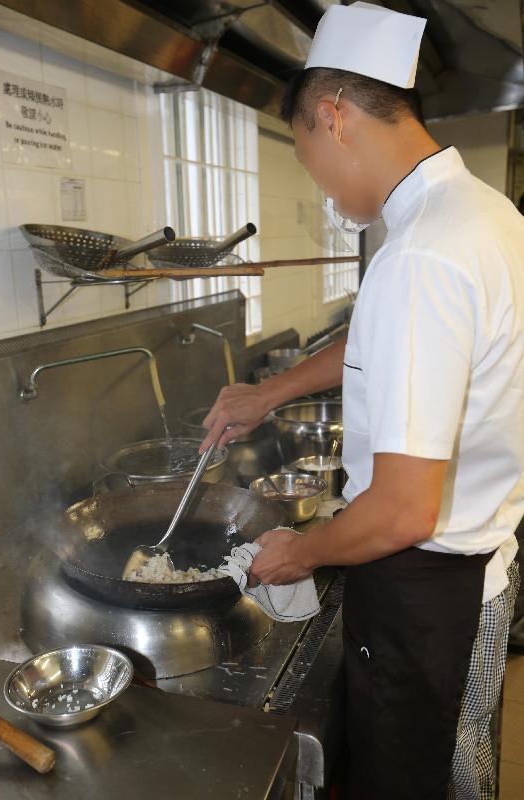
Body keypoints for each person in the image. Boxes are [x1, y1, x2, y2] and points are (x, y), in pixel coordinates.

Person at [200, 3, 523, 798]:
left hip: (423, 589)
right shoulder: (478, 214)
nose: (326, 191)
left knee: (416, 780)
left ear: (333, 117)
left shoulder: (423, 252)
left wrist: (297, 552)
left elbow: (405, 511)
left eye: (311, 160)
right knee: (462, 762)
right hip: (471, 567)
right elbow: (386, 344)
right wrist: (269, 392)